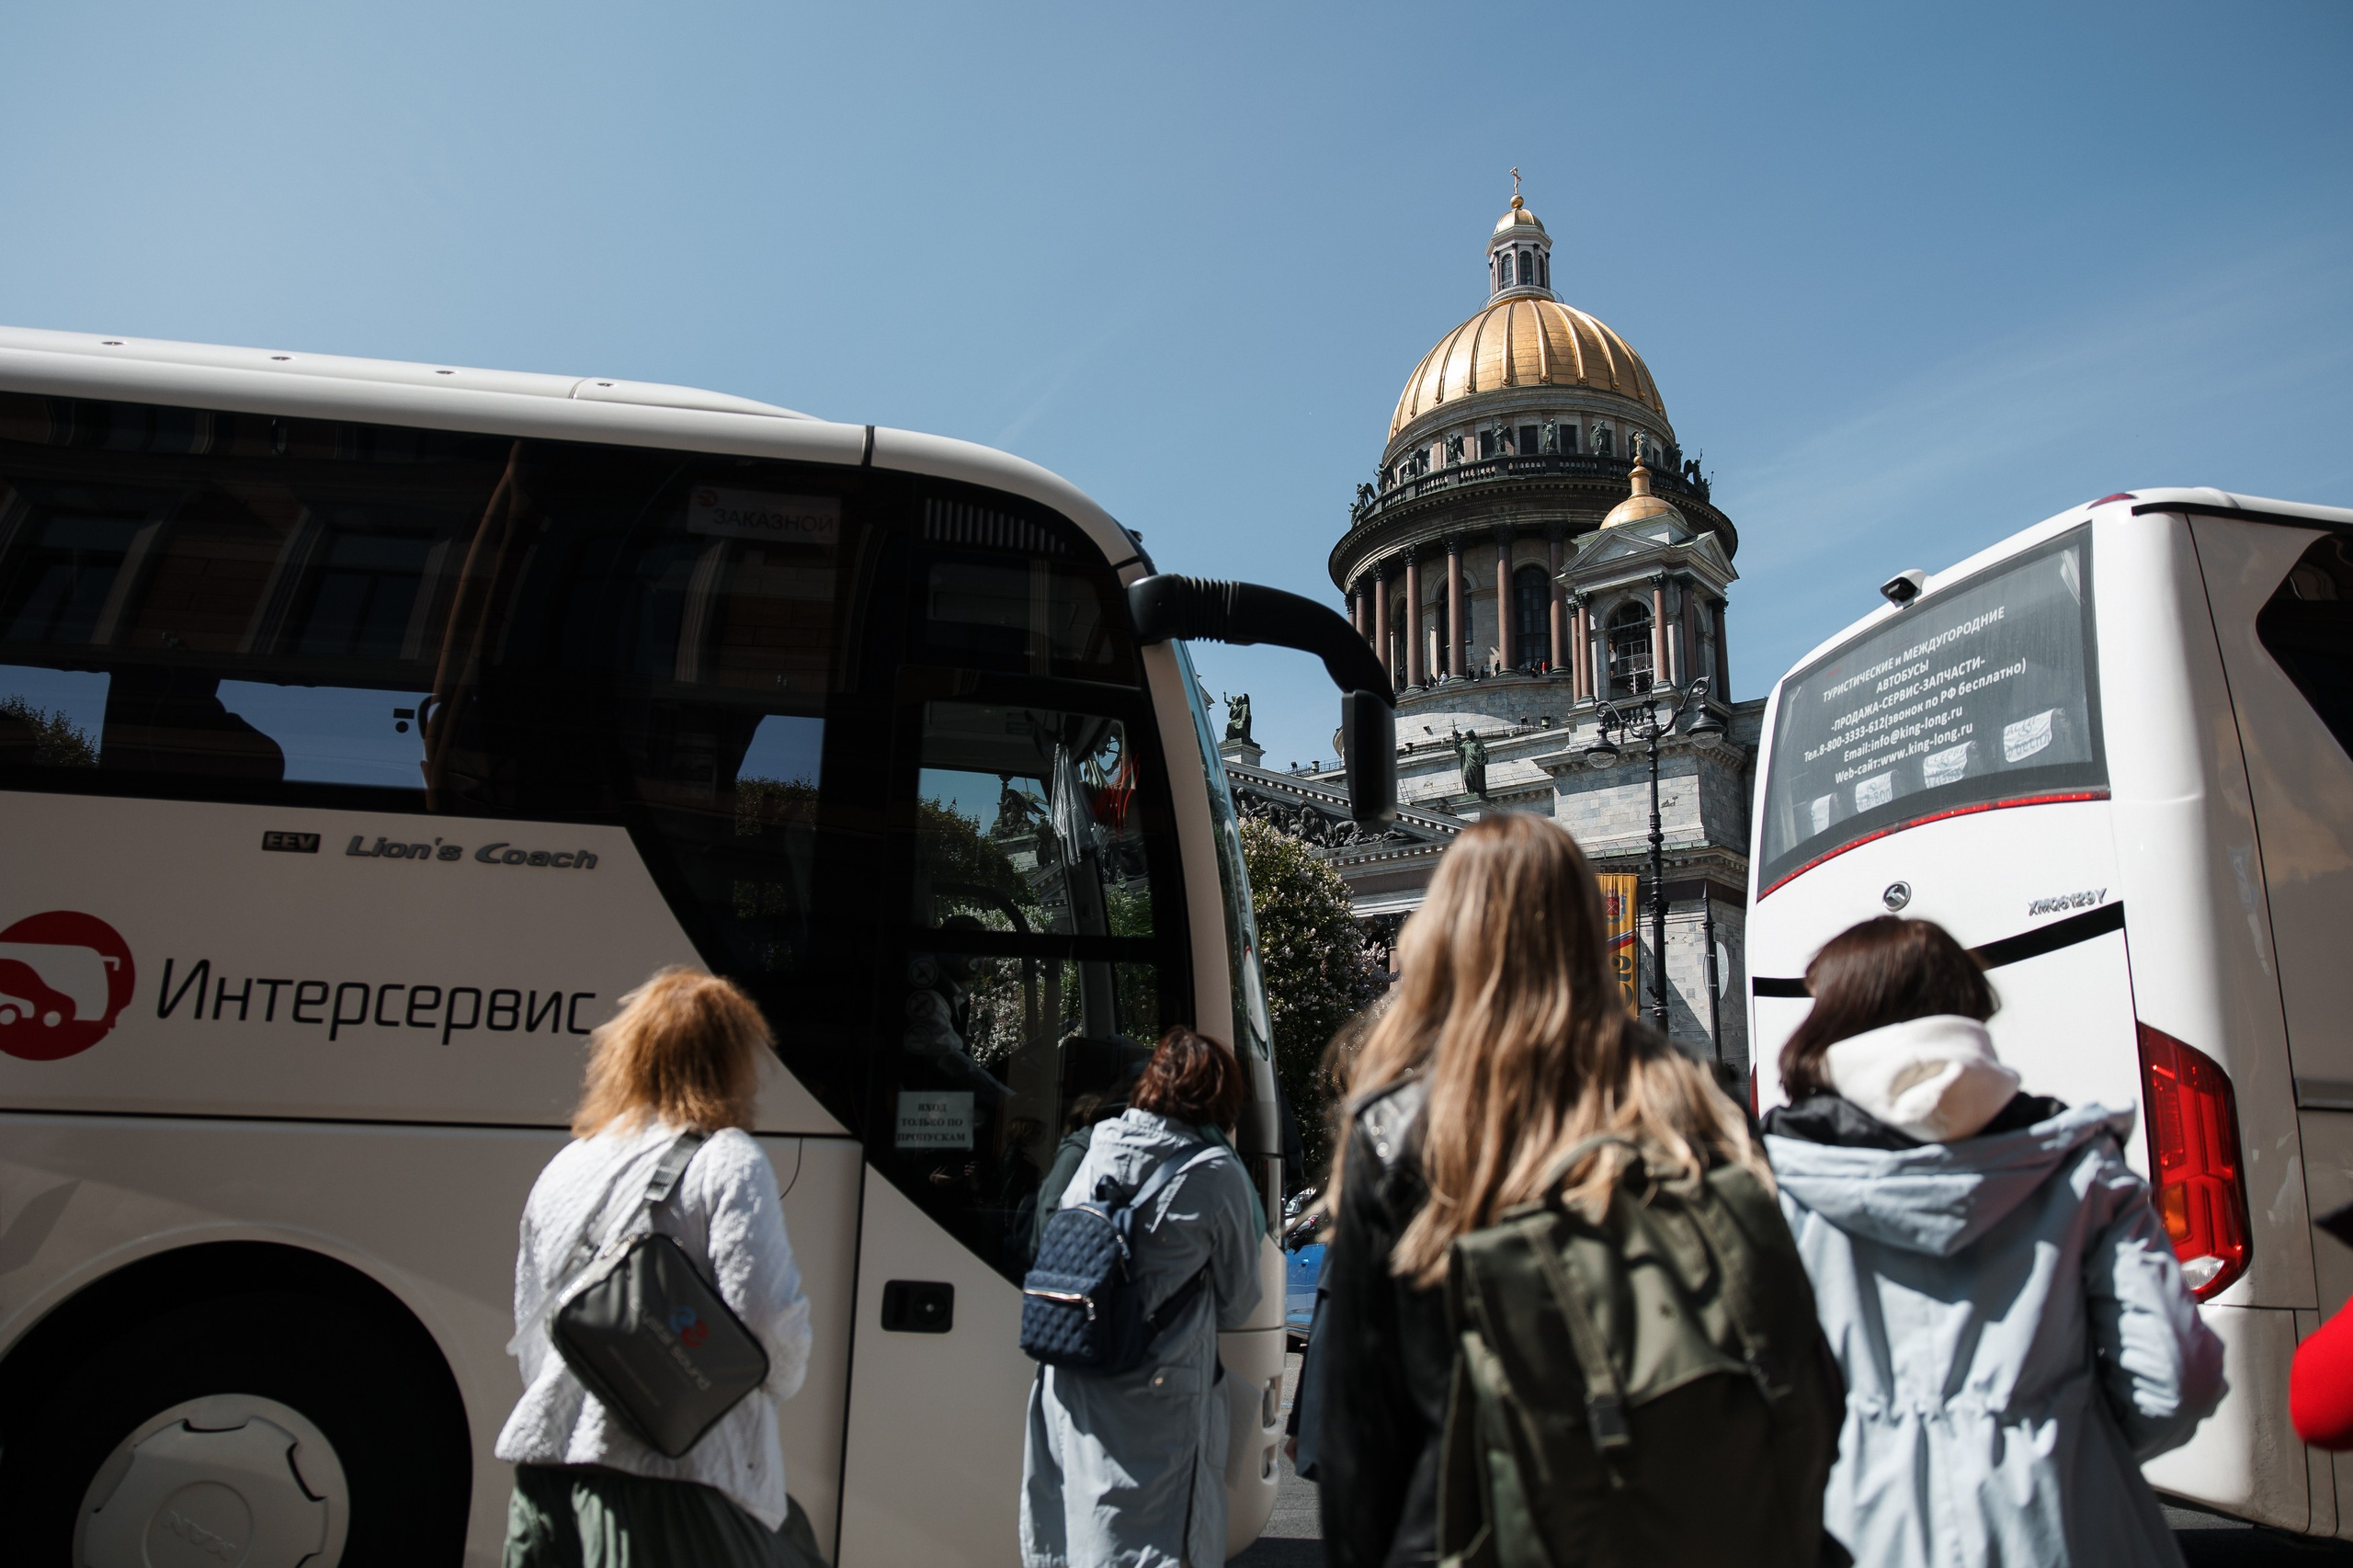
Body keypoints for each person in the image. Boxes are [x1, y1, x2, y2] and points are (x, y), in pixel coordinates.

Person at [1317, 812, 1797, 1568]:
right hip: (1678, 1523)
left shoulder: (1400, 1128)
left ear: (1441, 935)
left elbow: (1360, 1437)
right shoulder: (1695, 1109)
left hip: (1470, 1531)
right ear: (1585, 933)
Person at [1763, 916, 2226, 1568]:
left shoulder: (1774, 1181)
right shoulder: (2082, 1168)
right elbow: (2179, 1378)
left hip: (1857, 1530)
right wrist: (2070, 1435)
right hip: (2072, 1524)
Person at [496, 968, 822, 1568]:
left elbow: (533, 1319)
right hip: (672, 1478)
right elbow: (769, 1322)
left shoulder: (569, 1163)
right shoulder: (727, 1159)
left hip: (546, 1473)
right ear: (731, 1063)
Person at [1019, 1027, 1265, 1568]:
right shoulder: (1216, 1172)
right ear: (1220, 1098)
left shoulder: (1099, 1144)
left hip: (1072, 1376)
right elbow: (1238, 1301)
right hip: (1158, 1394)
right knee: (1153, 1545)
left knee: (1075, 1534)